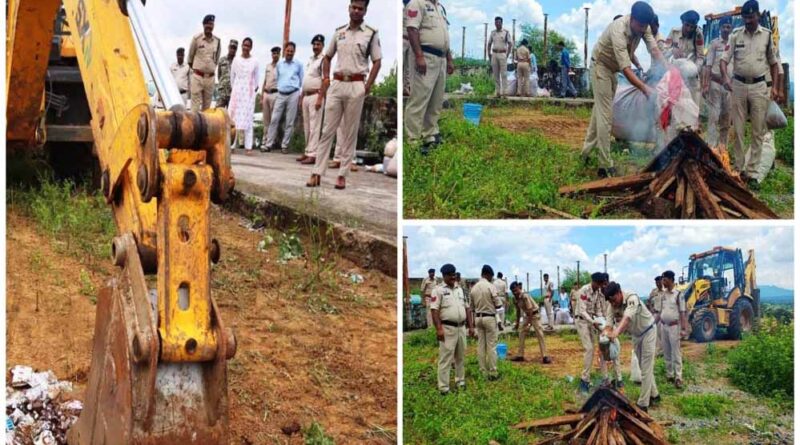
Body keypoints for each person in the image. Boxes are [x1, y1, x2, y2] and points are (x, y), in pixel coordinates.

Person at [581, 1, 664, 178]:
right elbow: (626, 70)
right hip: (600, 67)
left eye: (645, 27)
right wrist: (645, 89)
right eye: (640, 26)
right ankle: (605, 165)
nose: (642, 30)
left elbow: (655, 51)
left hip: (613, 70)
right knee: (606, 115)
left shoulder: (644, 27)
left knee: (600, 113)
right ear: (632, 19)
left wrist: (670, 72)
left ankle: (585, 154)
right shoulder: (617, 29)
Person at [306, 0, 382, 190]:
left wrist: (367, 86)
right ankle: (317, 172)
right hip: (337, 83)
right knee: (326, 130)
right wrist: (325, 78)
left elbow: (377, 61)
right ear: (349, 8)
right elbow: (327, 57)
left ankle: (342, 175)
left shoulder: (370, 33)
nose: (356, 11)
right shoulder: (339, 32)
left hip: (356, 84)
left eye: (360, 8)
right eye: (353, 7)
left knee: (349, 132)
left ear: (365, 11)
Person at [720, 0, 780, 189]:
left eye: (751, 17)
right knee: (737, 130)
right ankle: (738, 170)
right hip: (737, 86)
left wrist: (776, 87)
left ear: (758, 16)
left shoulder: (767, 36)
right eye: (745, 18)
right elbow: (724, 60)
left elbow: (774, 63)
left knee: (758, 131)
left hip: (759, 88)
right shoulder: (735, 35)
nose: (748, 21)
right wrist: (725, 79)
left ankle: (753, 173)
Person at [404, 0, 454, 151]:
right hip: (425, 55)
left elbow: (445, 37)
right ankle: (413, 139)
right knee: (419, 99)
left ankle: (430, 135)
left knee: (436, 99)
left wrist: (449, 59)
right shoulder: (416, 3)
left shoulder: (440, 8)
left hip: (441, 58)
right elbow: (412, 30)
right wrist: (419, 56)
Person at [603, 281, 659, 412]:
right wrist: (605, 335)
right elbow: (608, 324)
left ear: (619, 293)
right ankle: (655, 395)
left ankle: (643, 404)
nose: (613, 303)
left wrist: (615, 333)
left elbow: (627, 318)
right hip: (636, 335)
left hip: (648, 331)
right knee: (643, 365)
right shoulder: (611, 305)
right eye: (610, 301)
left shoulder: (631, 299)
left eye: (614, 300)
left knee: (645, 367)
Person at [430, 263, 473, 395]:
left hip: (461, 327)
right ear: (444, 276)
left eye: (454, 274)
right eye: (450, 275)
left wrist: (471, 326)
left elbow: (467, 308)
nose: (453, 277)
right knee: (446, 358)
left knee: (460, 357)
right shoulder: (438, 290)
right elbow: (434, 310)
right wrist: (439, 329)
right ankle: (444, 387)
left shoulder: (460, 290)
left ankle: (460, 381)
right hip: (447, 328)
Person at [265, 42, 304, 155]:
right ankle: (268, 144)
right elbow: (277, 78)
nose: (289, 53)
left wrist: (298, 93)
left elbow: (301, 80)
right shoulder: (279, 64)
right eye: (288, 51)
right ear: (284, 51)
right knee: (274, 119)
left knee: (289, 121)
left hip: (293, 93)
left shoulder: (298, 64)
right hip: (281, 94)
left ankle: (284, 145)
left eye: (292, 51)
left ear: (294, 52)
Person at [703, 16, 733, 147]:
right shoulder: (714, 44)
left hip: (730, 88)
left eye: (728, 27)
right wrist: (705, 84)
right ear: (720, 28)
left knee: (726, 119)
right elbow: (708, 65)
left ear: (731, 28)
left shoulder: (734, 43)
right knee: (714, 118)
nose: (726, 29)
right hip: (715, 85)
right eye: (724, 27)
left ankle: (722, 149)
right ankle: (711, 148)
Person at [665, 10, 704, 107]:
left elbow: (700, 57)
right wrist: (672, 50)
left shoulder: (698, 34)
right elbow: (663, 52)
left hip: (691, 78)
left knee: (693, 108)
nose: (689, 29)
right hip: (675, 77)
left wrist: (694, 70)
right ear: (682, 22)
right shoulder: (674, 32)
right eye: (687, 25)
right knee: (675, 107)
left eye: (692, 27)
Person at [297, 35, 326, 164]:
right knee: (307, 126)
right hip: (306, 95)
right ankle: (307, 151)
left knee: (315, 126)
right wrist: (302, 96)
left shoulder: (324, 60)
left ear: (322, 46)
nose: (315, 46)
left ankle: (313, 154)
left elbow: (326, 80)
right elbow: (306, 80)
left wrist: (320, 97)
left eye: (318, 44)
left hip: (316, 95)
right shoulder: (311, 60)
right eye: (314, 44)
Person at [471, 265, 503, 380]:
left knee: (481, 346)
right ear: (488, 274)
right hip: (489, 318)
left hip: (478, 318)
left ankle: (482, 371)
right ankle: (493, 372)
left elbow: (472, 307)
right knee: (491, 346)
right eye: (491, 276)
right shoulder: (490, 286)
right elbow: (498, 304)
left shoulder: (473, 288)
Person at [228, 38, 260, 152]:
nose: (246, 48)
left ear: (251, 47)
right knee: (233, 119)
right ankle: (231, 145)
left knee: (248, 118)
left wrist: (251, 90)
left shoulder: (255, 61)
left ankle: (248, 147)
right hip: (237, 92)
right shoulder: (236, 60)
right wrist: (235, 89)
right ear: (242, 46)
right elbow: (232, 77)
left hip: (248, 93)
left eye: (248, 46)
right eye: (244, 45)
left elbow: (256, 80)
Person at [658, 271, 687, 389]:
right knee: (666, 351)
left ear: (670, 280)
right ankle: (669, 375)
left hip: (674, 326)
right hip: (663, 326)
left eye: (664, 280)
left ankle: (678, 377)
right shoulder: (663, 295)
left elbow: (682, 312)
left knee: (676, 352)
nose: (663, 282)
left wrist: (684, 329)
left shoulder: (678, 294)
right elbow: (660, 311)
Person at [510, 282, 551, 364]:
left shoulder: (525, 296)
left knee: (540, 334)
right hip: (527, 315)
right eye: (513, 291)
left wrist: (529, 324)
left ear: (519, 288)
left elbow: (530, 310)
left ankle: (545, 356)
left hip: (534, 315)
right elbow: (518, 311)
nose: (514, 293)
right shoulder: (515, 298)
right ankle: (520, 355)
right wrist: (517, 323)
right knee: (521, 332)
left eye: (515, 290)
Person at [187, 14, 221, 112]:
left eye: (211, 24)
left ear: (213, 26)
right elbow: (190, 59)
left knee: (207, 109)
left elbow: (216, 59)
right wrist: (198, 70)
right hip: (197, 77)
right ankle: (194, 127)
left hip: (210, 79)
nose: (209, 27)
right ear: (203, 25)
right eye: (207, 24)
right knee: (195, 109)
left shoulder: (217, 41)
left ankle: (204, 128)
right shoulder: (196, 39)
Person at [260, 47, 281, 149]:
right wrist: (261, 95)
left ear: (279, 55)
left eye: (277, 53)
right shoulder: (268, 66)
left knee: (274, 120)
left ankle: (271, 142)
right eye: (273, 53)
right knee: (266, 120)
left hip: (275, 93)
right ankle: (264, 140)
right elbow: (264, 81)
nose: (275, 55)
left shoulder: (281, 67)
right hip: (266, 94)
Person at [488, 16, 511, 97]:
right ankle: (497, 92)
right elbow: (489, 44)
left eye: (499, 22)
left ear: (501, 23)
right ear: (494, 23)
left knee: (504, 74)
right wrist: (489, 54)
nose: (497, 24)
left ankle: (505, 92)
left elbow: (510, 44)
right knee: (496, 74)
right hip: (494, 54)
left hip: (502, 54)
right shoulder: (492, 33)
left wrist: (507, 55)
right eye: (496, 22)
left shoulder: (506, 32)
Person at [216, 40, 238, 108]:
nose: (232, 50)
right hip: (222, 92)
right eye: (231, 47)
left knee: (231, 115)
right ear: (228, 47)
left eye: (234, 48)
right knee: (218, 114)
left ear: (236, 49)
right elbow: (219, 75)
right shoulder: (222, 60)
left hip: (233, 93)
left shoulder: (238, 62)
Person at [648, 276, 664, 356]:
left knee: (663, 333)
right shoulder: (654, 292)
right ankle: (659, 351)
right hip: (656, 314)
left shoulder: (666, 291)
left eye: (659, 282)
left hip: (664, 315)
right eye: (656, 283)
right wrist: (651, 309)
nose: (658, 284)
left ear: (662, 281)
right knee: (656, 332)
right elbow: (649, 301)